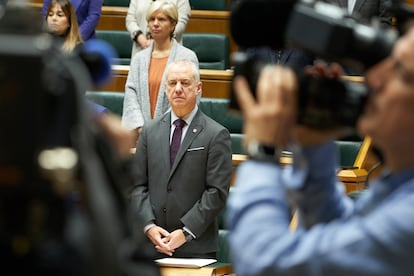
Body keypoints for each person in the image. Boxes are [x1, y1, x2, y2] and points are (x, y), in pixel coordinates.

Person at [226, 25, 414, 275]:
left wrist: (263, 151)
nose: (374, 78)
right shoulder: (400, 185)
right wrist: (312, 147)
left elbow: (264, 264)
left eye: (400, 72)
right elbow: (339, 236)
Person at [129, 59, 232, 259]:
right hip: (151, 246)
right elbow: (137, 185)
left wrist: (186, 232)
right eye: (172, 83)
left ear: (198, 88)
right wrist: (148, 226)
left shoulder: (216, 134)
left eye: (185, 83)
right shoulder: (149, 130)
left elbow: (217, 192)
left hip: (196, 247)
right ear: (165, 88)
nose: (177, 89)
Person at [121, 0, 198, 144]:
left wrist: (160, 129)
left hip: (175, 136)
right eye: (151, 19)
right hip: (141, 137)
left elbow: (190, 97)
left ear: (173, 25)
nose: (155, 24)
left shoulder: (187, 57)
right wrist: (140, 127)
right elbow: (131, 94)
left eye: (161, 19)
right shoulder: (139, 59)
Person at [126, 0, 190, 58]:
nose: (155, 23)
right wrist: (141, 39)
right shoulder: (138, 58)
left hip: (171, 52)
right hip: (141, 48)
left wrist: (158, 41)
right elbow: (130, 20)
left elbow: (181, 22)